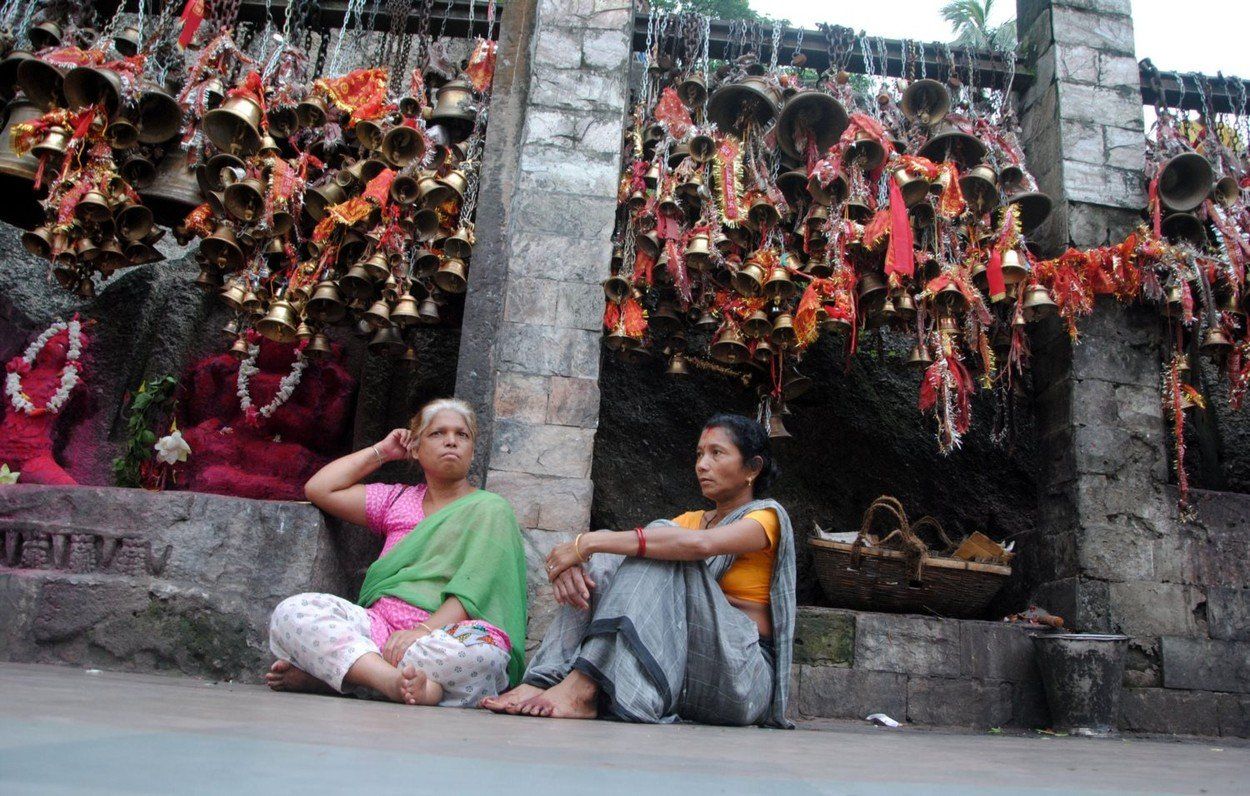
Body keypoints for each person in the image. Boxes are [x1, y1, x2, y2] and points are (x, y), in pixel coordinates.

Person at [484, 414, 795, 728]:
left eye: (717, 453)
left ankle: (583, 686)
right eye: (700, 454)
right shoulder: (691, 520)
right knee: (612, 557)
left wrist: (588, 542)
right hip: (685, 670)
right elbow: (632, 556)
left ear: (752, 468)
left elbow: (699, 545)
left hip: (740, 680)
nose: (702, 465)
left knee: (657, 540)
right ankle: (544, 679)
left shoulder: (765, 517)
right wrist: (573, 563)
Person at [265, 398, 527, 708]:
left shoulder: (490, 509)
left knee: (484, 655)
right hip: (381, 630)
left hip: (444, 637)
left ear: (472, 450)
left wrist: (423, 631)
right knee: (293, 612)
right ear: (415, 448)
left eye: (462, 435)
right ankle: (395, 683)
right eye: (437, 433)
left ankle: (348, 676)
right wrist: (383, 452)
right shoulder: (397, 499)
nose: (451, 441)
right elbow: (320, 489)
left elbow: (477, 587)